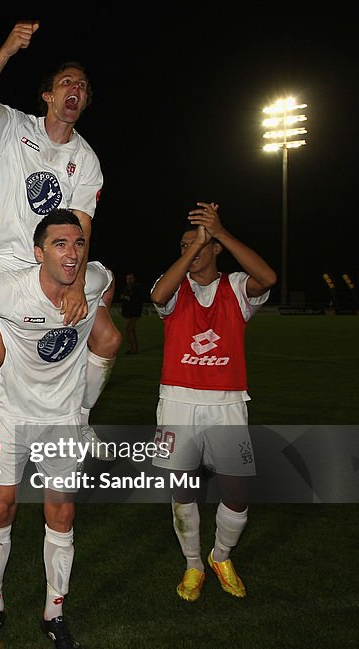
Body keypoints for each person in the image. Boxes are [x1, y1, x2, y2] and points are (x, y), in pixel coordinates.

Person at [0, 20, 121, 463]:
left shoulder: (87, 160)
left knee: (108, 339)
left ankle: (79, 415)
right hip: (3, 262)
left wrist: (77, 284)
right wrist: (6, 50)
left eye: (82, 85)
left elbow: (81, 226)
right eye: (66, 83)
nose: (75, 89)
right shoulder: (13, 128)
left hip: (53, 267)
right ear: (49, 95)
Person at [0, 210, 112, 649]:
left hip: (61, 418)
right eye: (59, 244)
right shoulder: (7, 287)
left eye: (77, 243)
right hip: (8, 414)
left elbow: (105, 278)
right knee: (1, 507)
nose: (72, 252)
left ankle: (54, 613)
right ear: (39, 253)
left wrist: (88, 299)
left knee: (62, 513)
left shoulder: (90, 278)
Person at [149, 202, 276, 602]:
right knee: (182, 489)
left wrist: (219, 232)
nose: (193, 247)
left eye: (201, 242)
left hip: (227, 403)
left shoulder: (236, 288)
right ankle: (192, 564)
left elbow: (268, 276)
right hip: (178, 402)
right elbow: (158, 295)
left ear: (217, 247)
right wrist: (196, 245)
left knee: (237, 492)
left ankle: (221, 556)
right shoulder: (173, 287)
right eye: (185, 243)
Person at [119, 272, 145, 354]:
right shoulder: (126, 288)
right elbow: (122, 297)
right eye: (128, 278)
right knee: (131, 330)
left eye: (130, 278)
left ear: (134, 279)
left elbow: (137, 299)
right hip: (127, 313)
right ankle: (133, 348)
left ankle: (133, 349)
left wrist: (128, 297)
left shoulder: (137, 288)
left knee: (128, 329)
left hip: (135, 312)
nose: (129, 280)